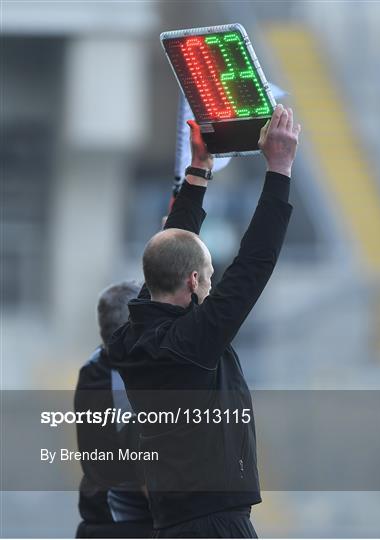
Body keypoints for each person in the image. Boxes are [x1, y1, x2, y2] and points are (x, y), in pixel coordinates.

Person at [109, 104, 301, 538]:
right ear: (194, 282)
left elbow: (170, 253)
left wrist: (198, 171)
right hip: (215, 526)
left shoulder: (132, 336)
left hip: (173, 522)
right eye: (210, 275)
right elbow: (254, 263)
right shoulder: (191, 344)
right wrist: (280, 169)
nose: (214, 284)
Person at [74, 281, 153, 538]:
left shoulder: (94, 366)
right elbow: (148, 477)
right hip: (126, 527)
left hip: (103, 522)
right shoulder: (121, 381)